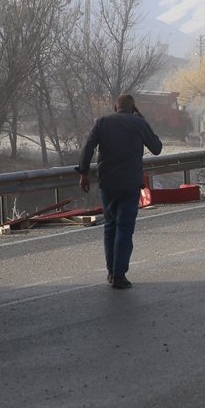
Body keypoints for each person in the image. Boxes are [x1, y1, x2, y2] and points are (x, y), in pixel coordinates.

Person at [78, 94, 163, 289]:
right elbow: (157, 148)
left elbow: (88, 148)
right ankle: (119, 275)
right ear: (134, 108)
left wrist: (83, 173)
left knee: (110, 226)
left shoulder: (102, 122)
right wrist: (142, 121)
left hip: (107, 182)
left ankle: (111, 271)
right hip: (130, 184)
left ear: (115, 106)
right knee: (124, 228)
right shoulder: (138, 123)